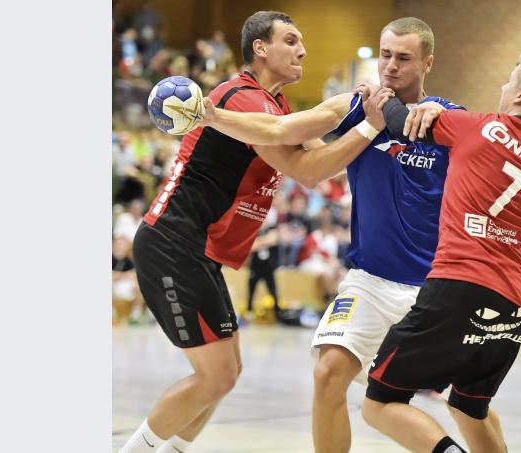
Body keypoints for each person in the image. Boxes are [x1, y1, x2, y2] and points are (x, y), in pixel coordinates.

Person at [117, 11, 388, 453]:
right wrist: (358, 114)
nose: (303, 50)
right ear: (260, 48)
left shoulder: (276, 106)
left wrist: (369, 126)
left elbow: (322, 164)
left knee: (226, 374)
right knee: (216, 375)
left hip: (198, 252)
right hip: (173, 242)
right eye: (291, 40)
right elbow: (302, 161)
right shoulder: (242, 97)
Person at [201, 16, 463, 453]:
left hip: (431, 287)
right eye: (385, 55)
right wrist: (210, 115)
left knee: (467, 403)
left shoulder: (450, 119)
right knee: (327, 374)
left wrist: (442, 115)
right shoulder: (354, 106)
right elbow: (278, 130)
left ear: (428, 63)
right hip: (369, 281)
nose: (390, 66)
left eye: (403, 58)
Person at [360, 48, 521, 453]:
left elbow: (399, 122)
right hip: (516, 304)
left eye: (510, 80)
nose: (503, 86)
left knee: (379, 404)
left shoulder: (476, 127)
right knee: (469, 408)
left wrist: (381, 95)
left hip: (459, 287)